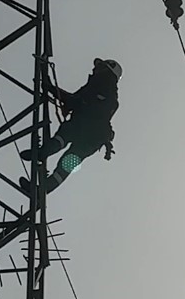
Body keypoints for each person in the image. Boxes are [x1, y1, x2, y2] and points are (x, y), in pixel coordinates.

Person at [18, 58, 122, 197]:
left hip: (85, 130)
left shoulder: (104, 89)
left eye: (99, 67)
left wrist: (50, 88)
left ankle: (41, 156)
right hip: (91, 139)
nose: (93, 70)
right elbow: (72, 100)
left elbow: (74, 101)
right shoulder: (101, 90)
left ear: (107, 70)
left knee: (65, 140)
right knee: (67, 162)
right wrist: (52, 89)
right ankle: (41, 188)